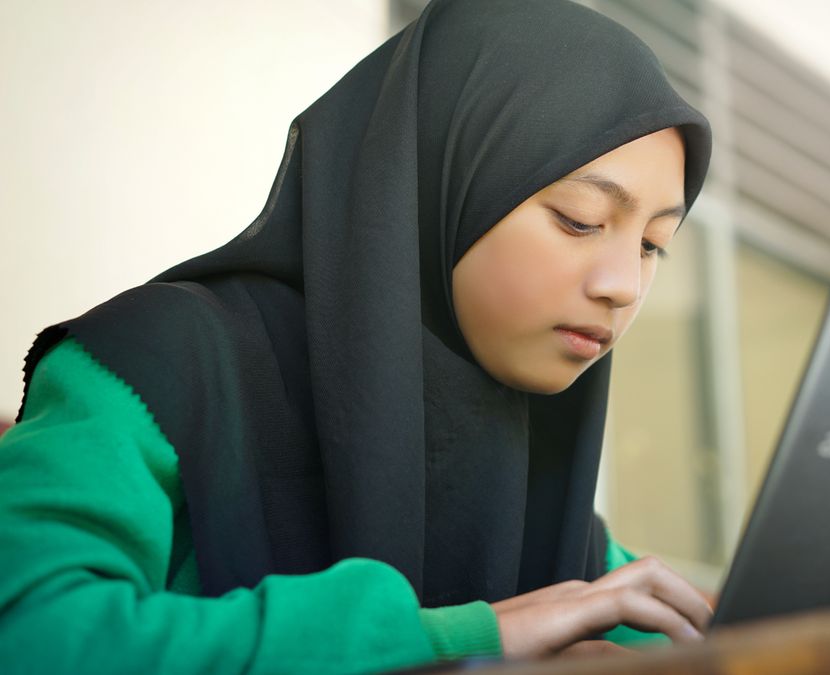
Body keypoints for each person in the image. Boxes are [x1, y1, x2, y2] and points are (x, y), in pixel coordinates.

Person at [0, 0, 714, 671]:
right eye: (581, 218)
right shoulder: (158, 363)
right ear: (446, 181)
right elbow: (30, 632)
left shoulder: (550, 492)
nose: (624, 283)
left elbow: (691, 631)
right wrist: (463, 639)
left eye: (654, 244)